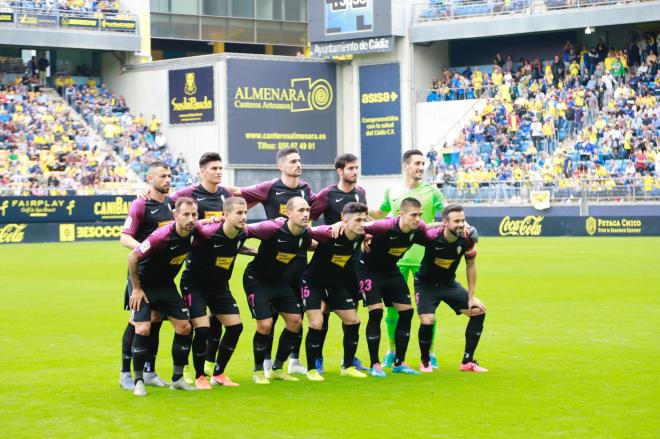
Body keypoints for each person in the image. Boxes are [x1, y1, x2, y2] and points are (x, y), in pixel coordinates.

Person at [237, 148, 317, 376]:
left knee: (297, 314)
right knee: (268, 317)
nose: (298, 164)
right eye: (293, 161)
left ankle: (293, 360)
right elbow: (239, 199)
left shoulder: (306, 189)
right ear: (281, 165)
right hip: (270, 261)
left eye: (300, 160)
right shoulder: (269, 188)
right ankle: (265, 363)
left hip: (298, 260)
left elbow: (317, 225)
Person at [370, 150, 444, 369]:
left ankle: (429, 354)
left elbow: (447, 211)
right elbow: (381, 213)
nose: (421, 167)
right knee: (391, 310)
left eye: (423, 163)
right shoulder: (392, 191)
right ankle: (391, 351)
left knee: (428, 310)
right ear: (406, 166)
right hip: (396, 260)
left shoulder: (433, 191)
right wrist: (357, 215)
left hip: (426, 259)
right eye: (417, 163)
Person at [169, 152, 235, 380]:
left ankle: (212, 367)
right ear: (202, 171)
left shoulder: (225, 194)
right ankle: (190, 369)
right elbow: (169, 208)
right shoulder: (189, 194)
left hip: (220, 272)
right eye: (214, 168)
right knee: (200, 326)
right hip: (197, 266)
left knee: (221, 324)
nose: (218, 172)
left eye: (220, 168)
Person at [127, 197, 200, 396]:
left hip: (166, 286)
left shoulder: (194, 232)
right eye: (185, 214)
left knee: (185, 327)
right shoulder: (160, 236)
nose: (191, 219)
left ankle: (177, 379)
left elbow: (210, 227)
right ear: (175, 215)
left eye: (194, 214)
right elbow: (132, 257)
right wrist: (136, 288)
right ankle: (139, 381)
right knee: (142, 329)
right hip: (143, 286)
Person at [179, 197, 248, 389]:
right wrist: (201, 221)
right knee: (202, 329)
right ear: (225, 215)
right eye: (239, 213)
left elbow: (266, 228)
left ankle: (218, 373)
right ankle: (200, 375)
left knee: (236, 327)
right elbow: (184, 226)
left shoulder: (243, 234)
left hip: (219, 287)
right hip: (195, 285)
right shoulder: (207, 232)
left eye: (245, 213)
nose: (244, 217)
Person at [309, 153, 368, 373]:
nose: (355, 172)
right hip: (329, 261)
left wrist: (369, 236)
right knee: (323, 311)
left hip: (352, 263)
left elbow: (364, 219)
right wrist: (324, 234)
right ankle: (317, 358)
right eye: (351, 168)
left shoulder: (360, 193)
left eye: (356, 168)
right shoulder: (327, 194)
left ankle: (349, 359)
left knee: (351, 311)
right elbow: (310, 221)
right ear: (340, 171)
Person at [242, 197, 311, 384]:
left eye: (307, 210)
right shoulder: (271, 228)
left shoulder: (306, 234)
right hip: (256, 280)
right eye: (301, 210)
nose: (306, 214)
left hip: (279, 282)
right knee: (265, 325)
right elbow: (242, 230)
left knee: (295, 321)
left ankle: (278, 368)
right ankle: (258, 371)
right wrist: (243, 248)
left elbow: (321, 239)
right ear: (288, 213)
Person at [359, 197, 430, 377]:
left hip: (391, 271)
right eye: (414, 215)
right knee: (376, 313)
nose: (418, 219)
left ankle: (399, 362)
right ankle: (375, 364)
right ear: (400, 214)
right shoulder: (383, 226)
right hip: (368, 271)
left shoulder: (418, 229)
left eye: (420, 215)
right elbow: (355, 226)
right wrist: (340, 227)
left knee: (406, 312)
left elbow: (434, 235)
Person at [119, 161, 174, 390]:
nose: (168, 180)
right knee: (138, 324)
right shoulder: (140, 205)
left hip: (163, 276)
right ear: (150, 179)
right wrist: (145, 247)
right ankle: (125, 374)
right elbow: (124, 237)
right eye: (162, 176)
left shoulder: (172, 203)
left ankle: (150, 372)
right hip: (140, 275)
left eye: (170, 176)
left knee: (156, 322)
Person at [415, 204, 488, 373]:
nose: (461, 224)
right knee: (428, 320)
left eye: (463, 220)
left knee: (478, 311)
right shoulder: (431, 236)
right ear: (445, 222)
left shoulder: (467, 238)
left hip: (449, 285)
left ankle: (467, 362)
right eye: (456, 221)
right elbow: (415, 231)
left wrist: (471, 297)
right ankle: (425, 361)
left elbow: (471, 266)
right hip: (426, 285)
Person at [302, 202, 370, 380]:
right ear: (344, 220)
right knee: (317, 323)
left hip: (335, 285)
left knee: (353, 321)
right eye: (358, 220)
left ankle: (347, 366)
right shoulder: (329, 233)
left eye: (364, 219)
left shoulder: (360, 235)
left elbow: (385, 225)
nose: (362, 224)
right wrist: (332, 225)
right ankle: (312, 369)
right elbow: (305, 231)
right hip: (313, 283)